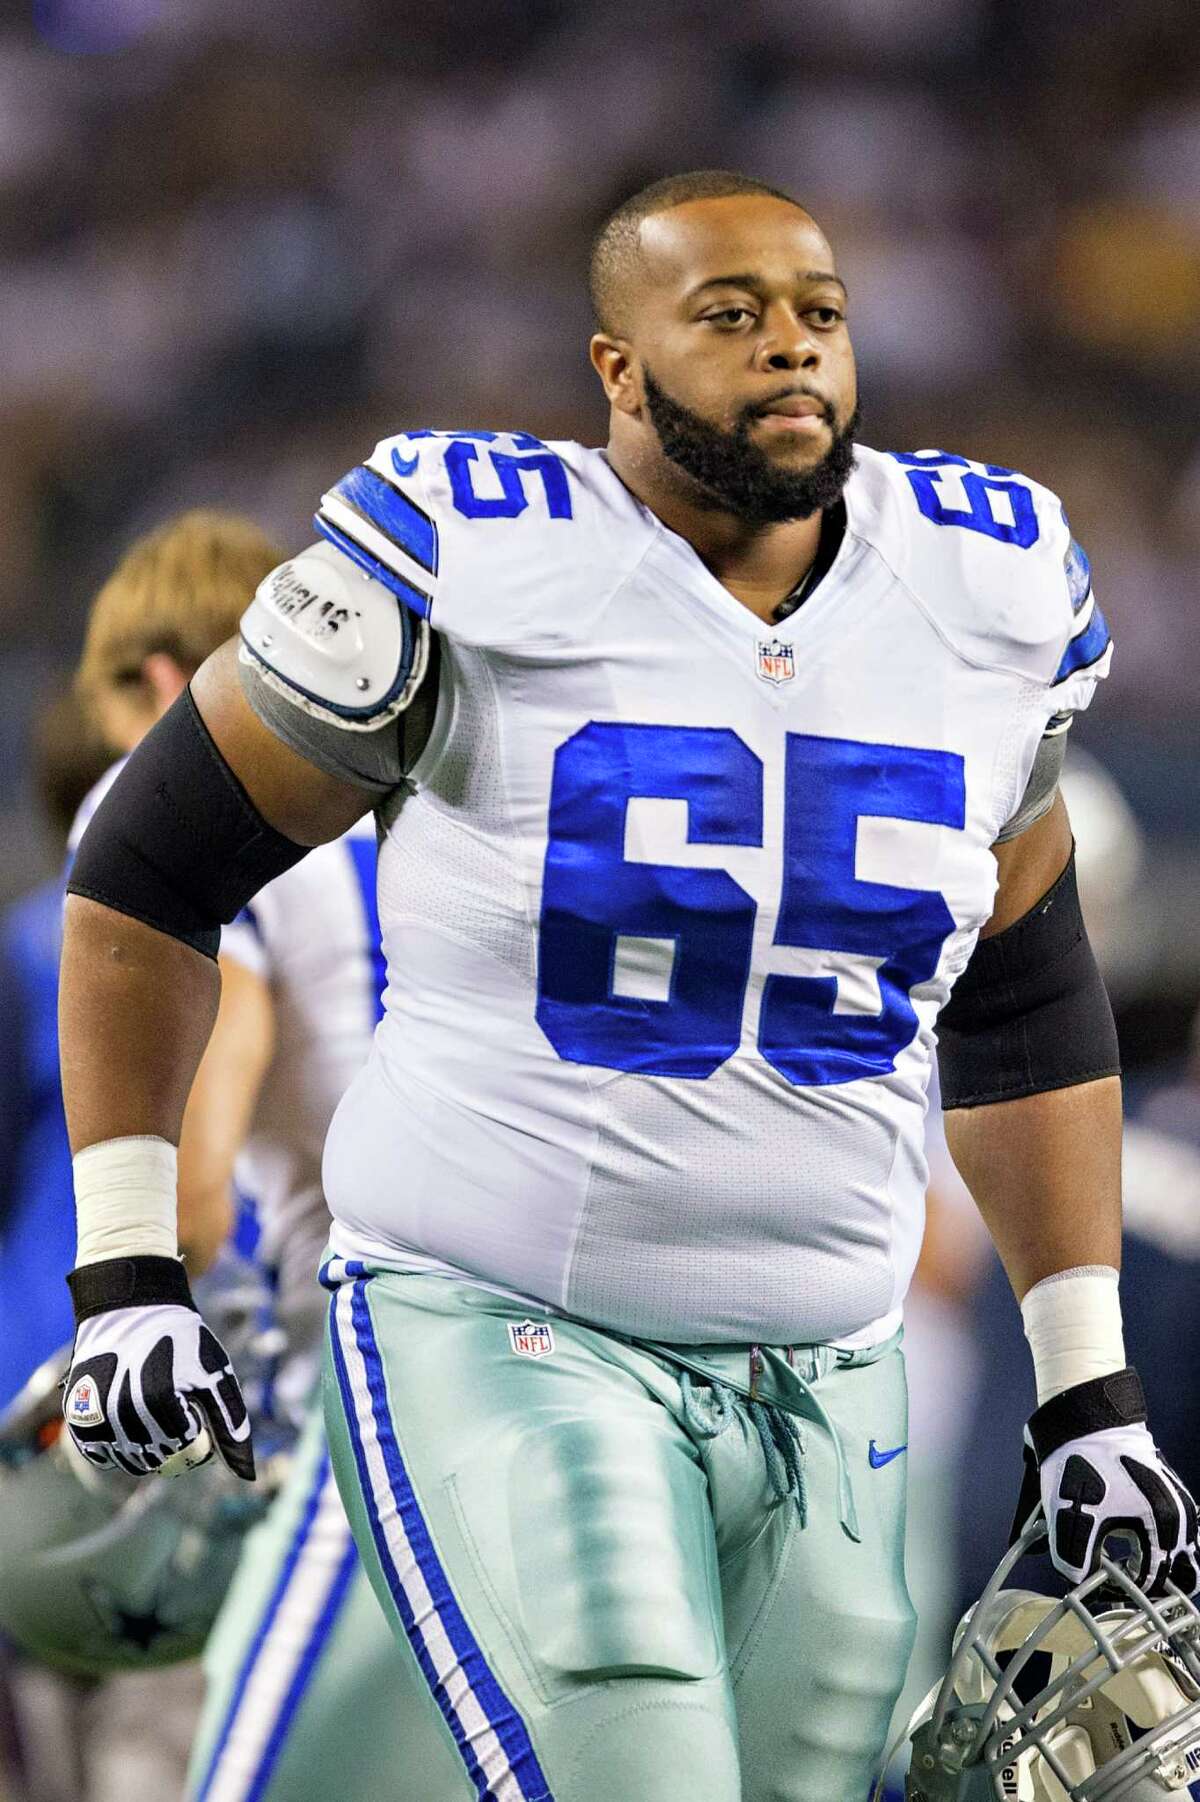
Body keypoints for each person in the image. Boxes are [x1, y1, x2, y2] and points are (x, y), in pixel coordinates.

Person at [55, 170, 1199, 1802]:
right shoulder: (469, 552)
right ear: (615, 366)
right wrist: (124, 1267)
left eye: (819, 313)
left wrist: (1087, 1386)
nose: (790, 350)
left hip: (837, 1369)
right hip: (505, 1320)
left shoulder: (985, 588)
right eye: (728, 316)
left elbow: (1021, 996)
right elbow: (147, 878)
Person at [6, 512, 410, 1802]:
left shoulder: (176, 829)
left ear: (161, 682)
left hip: (356, 1389)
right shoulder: (425, 823)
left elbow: (188, 1189)